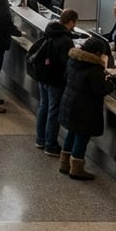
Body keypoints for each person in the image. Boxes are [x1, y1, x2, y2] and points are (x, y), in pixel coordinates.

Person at [59, 37, 116, 181]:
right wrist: (111, 83)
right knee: (82, 136)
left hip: (70, 101)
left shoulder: (73, 60)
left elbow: (66, 77)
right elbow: (100, 89)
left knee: (72, 132)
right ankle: (76, 168)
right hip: (85, 107)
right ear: (97, 53)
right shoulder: (94, 68)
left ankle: (64, 163)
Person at [35, 9, 79, 156]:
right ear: (71, 22)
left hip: (44, 75)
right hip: (56, 79)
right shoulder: (66, 40)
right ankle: (50, 145)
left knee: (43, 107)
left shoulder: (50, 32)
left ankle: (40, 139)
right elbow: (66, 63)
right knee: (54, 112)